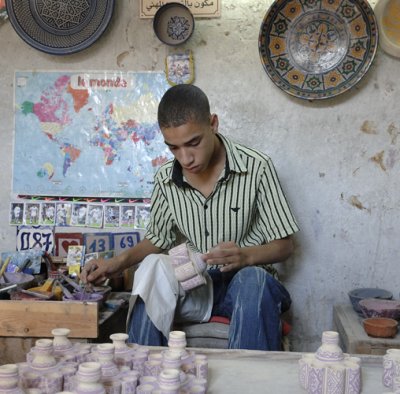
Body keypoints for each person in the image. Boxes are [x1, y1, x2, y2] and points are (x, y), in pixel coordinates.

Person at [82, 84, 299, 350]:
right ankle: (143, 372)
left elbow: (285, 246)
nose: (185, 158)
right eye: (174, 148)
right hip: (195, 285)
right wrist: (115, 263)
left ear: (213, 124)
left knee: (252, 280)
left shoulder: (257, 168)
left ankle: (247, 380)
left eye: (193, 143)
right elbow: (158, 239)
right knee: (151, 268)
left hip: (246, 286)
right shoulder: (165, 178)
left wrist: (245, 256)